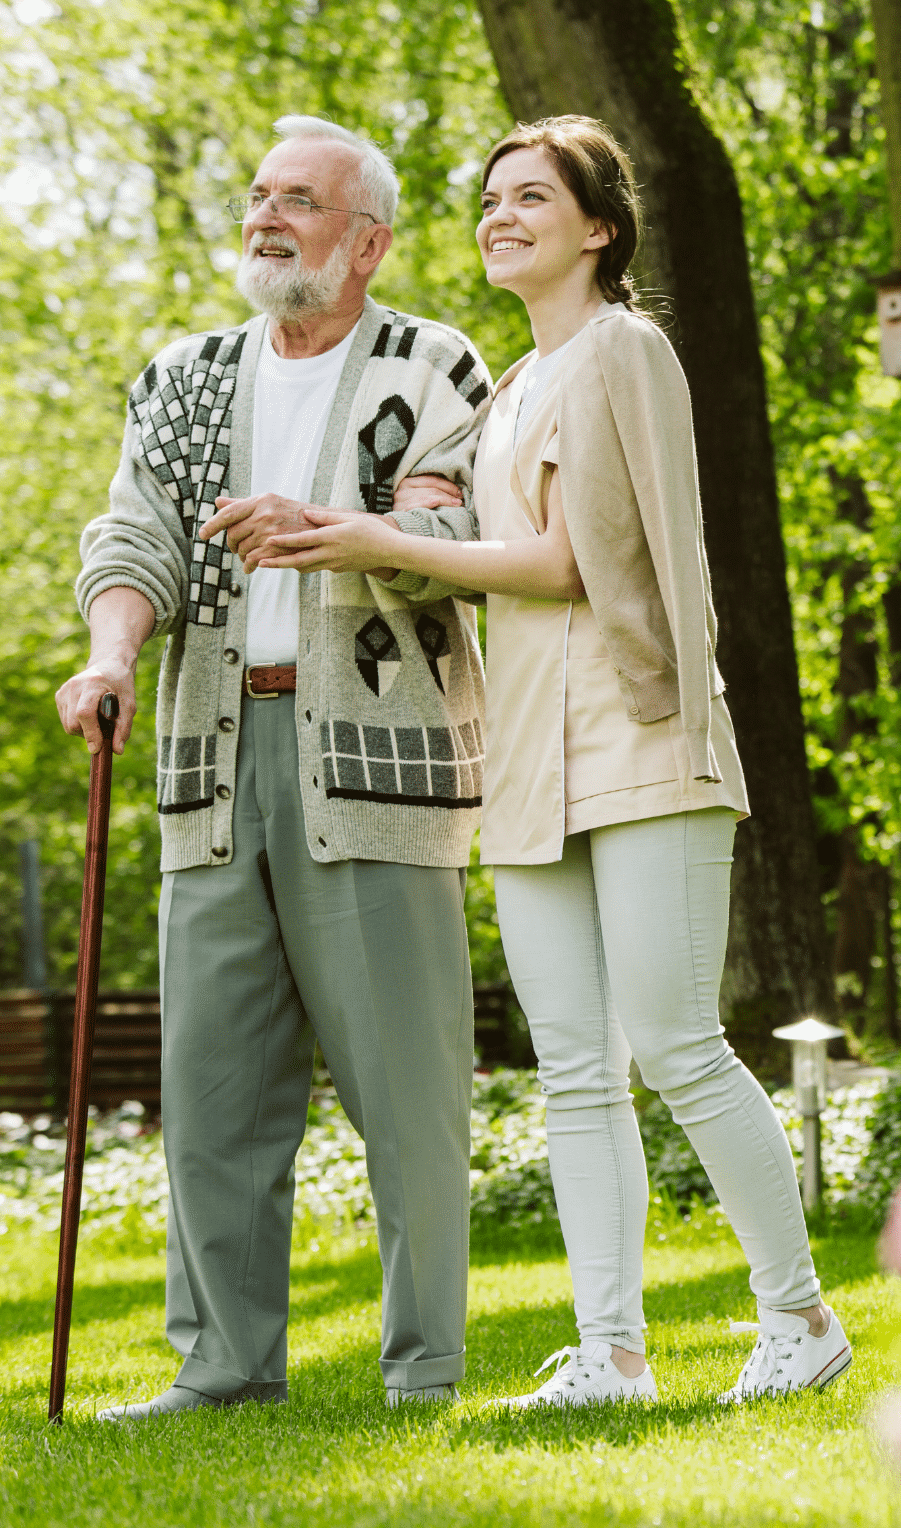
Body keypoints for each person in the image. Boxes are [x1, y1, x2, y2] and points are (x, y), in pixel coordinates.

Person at [264, 116, 852, 1409]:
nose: (501, 215)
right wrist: (350, 533)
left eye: (534, 196)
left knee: (678, 1042)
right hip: (530, 753)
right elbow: (485, 558)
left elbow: (565, 566)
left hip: (642, 734)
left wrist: (374, 540)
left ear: (601, 227)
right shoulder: (512, 391)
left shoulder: (623, 352)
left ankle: (799, 1318)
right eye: (489, 199)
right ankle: (613, 1353)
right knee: (574, 1067)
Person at [59, 114, 493, 1418]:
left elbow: (453, 523)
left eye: (298, 198)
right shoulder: (184, 376)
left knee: (408, 1095)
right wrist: (113, 659)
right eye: (258, 193)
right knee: (212, 1089)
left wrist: (324, 532)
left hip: (379, 760)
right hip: (206, 754)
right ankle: (225, 1365)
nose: (267, 215)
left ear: (367, 241)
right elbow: (131, 535)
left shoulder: (431, 364)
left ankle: (425, 1369)